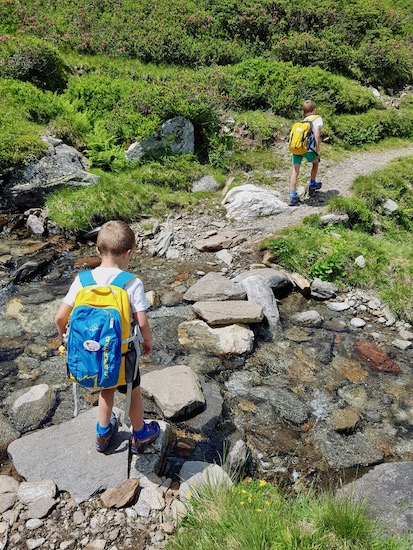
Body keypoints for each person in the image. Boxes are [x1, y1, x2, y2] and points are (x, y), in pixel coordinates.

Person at [55, 220, 160, 454]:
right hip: (123, 352)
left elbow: (60, 317)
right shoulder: (131, 282)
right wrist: (147, 341)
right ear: (128, 253)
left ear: (97, 249)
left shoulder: (83, 280)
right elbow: (141, 322)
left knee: (106, 388)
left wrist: (65, 338)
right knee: (132, 390)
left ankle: (103, 434)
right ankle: (140, 433)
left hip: (95, 352)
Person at [288, 99, 323, 206]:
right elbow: (316, 135)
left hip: (296, 148)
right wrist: (317, 151)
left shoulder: (304, 121)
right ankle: (312, 184)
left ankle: (293, 196)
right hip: (307, 149)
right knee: (315, 163)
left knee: (295, 171)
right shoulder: (317, 119)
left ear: (304, 112)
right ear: (315, 110)